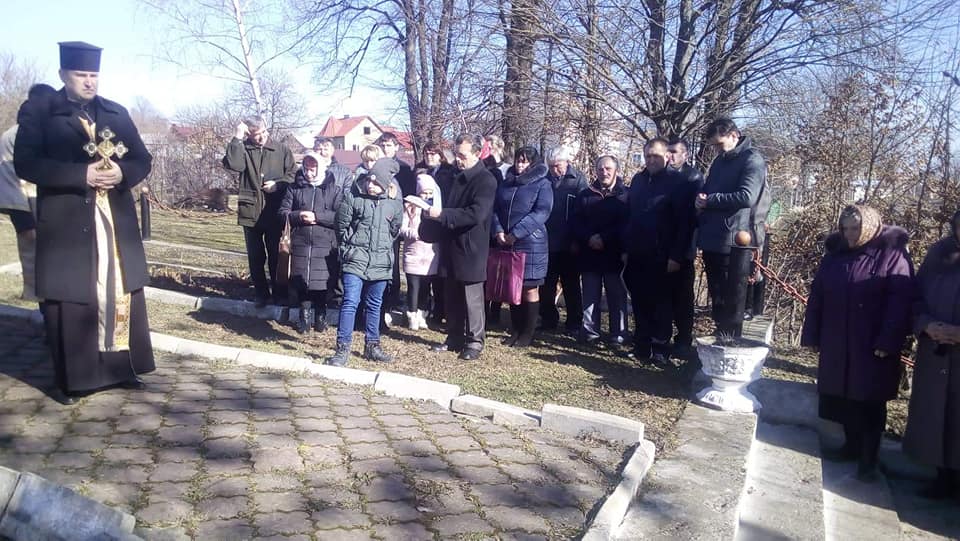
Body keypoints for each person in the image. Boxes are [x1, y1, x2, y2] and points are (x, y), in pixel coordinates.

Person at [13, 41, 155, 404]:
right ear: (63, 74)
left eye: (94, 75)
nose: (89, 81)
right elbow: (26, 163)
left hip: (115, 220)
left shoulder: (115, 113)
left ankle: (121, 370)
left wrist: (123, 173)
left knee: (118, 290)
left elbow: (142, 159)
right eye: (81, 75)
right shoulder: (41, 112)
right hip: (67, 222)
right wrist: (82, 175)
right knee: (74, 296)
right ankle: (73, 380)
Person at [801, 205, 914, 482]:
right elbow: (818, 296)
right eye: (846, 229)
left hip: (871, 343)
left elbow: (900, 303)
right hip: (837, 339)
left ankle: (868, 459)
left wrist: (888, 340)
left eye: (856, 228)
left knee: (870, 400)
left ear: (870, 227)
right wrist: (812, 334)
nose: (850, 235)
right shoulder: (835, 256)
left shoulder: (892, 255)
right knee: (842, 398)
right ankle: (850, 446)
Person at [420, 134, 498, 361]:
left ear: (477, 153)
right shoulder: (453, 176)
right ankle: (454, 336)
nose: (458, 160)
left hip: (471, 246)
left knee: (472, 297)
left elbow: (476, 213)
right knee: (452, 294)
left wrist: (442, 215)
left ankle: (475, 341)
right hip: (450, 243)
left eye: (463, 156)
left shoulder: (486, 180)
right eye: (456, 155)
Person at [903, 210, 960, 498]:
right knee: (937, 416)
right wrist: (926, 325)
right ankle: (942, 478)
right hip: (935, 352)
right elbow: (915, 297)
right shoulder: (939, 253)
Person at [624, 137, 698, 364]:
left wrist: (676, 255)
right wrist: (626, 247)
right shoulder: (638, 180)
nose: (651, 160)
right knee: (639, 301)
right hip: (638, 252)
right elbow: (630, 215)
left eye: (656, 156)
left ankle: (660, 349)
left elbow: (685, 223)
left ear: (667, 156)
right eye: (648, 156)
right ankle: (641, 346)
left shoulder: (679, 182)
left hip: (663, 254)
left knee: (661, 304)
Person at [327, 157, 404, 366]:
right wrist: (348, 248)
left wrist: (383, 247)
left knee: (374, 305)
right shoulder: (353, 196)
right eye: (370, 180)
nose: (371, 185)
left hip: (381, 262)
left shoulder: (394, 202)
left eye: (376, 183)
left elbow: (395, 229)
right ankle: (342, 348)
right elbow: (340, 225)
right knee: (350, 302)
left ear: (386, 184)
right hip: (355, 260)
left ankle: (372, 346)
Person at [696, 118, 766, 334]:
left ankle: (731, 334)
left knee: (732, 294)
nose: (716, 150)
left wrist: (711, 200)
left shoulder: (752, 160)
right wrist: (701, 198)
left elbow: (747, 197)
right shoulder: (719, 161)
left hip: (735, 238)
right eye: (713, 146)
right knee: (717, 292)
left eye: (719, 144)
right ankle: (720, 331)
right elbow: (709, 189)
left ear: (734, 136)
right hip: (713, 236)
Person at [222, 117, 296, 307]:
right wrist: (237, 137)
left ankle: (279, 294)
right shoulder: (243, 148)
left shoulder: (281, 149)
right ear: (248, 134)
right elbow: (234, 165)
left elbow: (292, 175)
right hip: (250, 211)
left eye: (263, 132)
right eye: (256, 135)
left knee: (276, 256)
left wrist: (278, 185)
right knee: (255, 257)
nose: (261, 137)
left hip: (274, 210)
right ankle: (261, 294)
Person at [491, 146, 553, 347]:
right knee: (513, 287)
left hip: (531, 242)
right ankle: (516, 329)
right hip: (506, 242)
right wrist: (498, 230)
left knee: (529, 288)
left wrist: (516, 233)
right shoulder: (506, 183)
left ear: (533, 164)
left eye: (524, 161)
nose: (520, 164)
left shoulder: (543, 183)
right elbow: (495, 209)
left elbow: (541, 212)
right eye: (518, 160)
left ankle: (527, 333)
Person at [1, 85, 55, 302]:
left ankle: (37, 290)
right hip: (16, 194)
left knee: (34, 241)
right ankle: (33, 292)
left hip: (21, 193)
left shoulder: (22, 130)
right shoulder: (23, 132)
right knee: (30, 240)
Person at [279, 152, 342, 334]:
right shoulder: (294, 188)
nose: (308, 173)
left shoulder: (334, 190)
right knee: (302, 281)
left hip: (325, 243)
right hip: (300, 242)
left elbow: (340, 216)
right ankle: (304, 318)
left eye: (312, 169)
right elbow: (282, 213)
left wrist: (317, 217)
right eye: (306, 168)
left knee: (321, 282)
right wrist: (298, 215)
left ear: (320, 168)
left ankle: (321, 317)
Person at [573, 155, 629, 347]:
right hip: (590, 253)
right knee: (590, 296)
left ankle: (618, 334)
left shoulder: (625, 195)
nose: (604, 172)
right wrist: (589, 237)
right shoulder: (585, 195)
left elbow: (626, 224)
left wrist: (604, 238)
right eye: (600, 169)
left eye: (608, 169)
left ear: (616, 171)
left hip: (615, 254)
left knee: (617, 297)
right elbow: (576, 222)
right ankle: (590, 333)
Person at [540, 145, 588, 335]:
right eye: (551, 166)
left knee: (571, 284)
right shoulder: (544, 179)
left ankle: (574, 322)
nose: (554, 170)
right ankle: (548, 319)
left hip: (570, 243)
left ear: (567, 162)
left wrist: (577, 239)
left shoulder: (578, 180)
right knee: (547, 284)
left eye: (557, 165)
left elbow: (583, 212)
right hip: (547, 241)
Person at [665, 137, 704, 357]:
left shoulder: (692, 178)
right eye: (667, 151)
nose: (669, 156)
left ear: (685, 154)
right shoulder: (664, 176)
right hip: (663, 245)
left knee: (682, 298)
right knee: (664, 296)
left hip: (684, 247)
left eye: (674, 152)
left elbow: (690, 219)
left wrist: (679, 254)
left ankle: (683, 340)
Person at [416, 141, 455, 325]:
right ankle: (424, 306)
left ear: (440, 155)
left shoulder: (448, 173)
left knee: (441, 272)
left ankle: (442, 309)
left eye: (433, 153)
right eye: (426, 153)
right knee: (425, 271)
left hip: (442, 224)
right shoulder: (419, 172)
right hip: (425, 225)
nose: (429, 157)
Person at [377, 132, 413, 319]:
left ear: (396, 147)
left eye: (389, 145)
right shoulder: (374, 164)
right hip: (376, 218)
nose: (385, 148)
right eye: (383, 145)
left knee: (393, 259)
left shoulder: (404, 169)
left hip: (395, 218)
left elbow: (409, 195)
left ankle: (393, 295)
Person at [399, 173, 442, 330]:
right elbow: (402, 228)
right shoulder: (410, 206)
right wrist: (415, 234)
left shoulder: (436, 208)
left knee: (425, 286)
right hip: (413, 252)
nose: (427, 196)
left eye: (430, 193)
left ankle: (422, 313)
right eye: (424, 193)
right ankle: (411, 313)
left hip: (430, 253)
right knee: (413, 286)